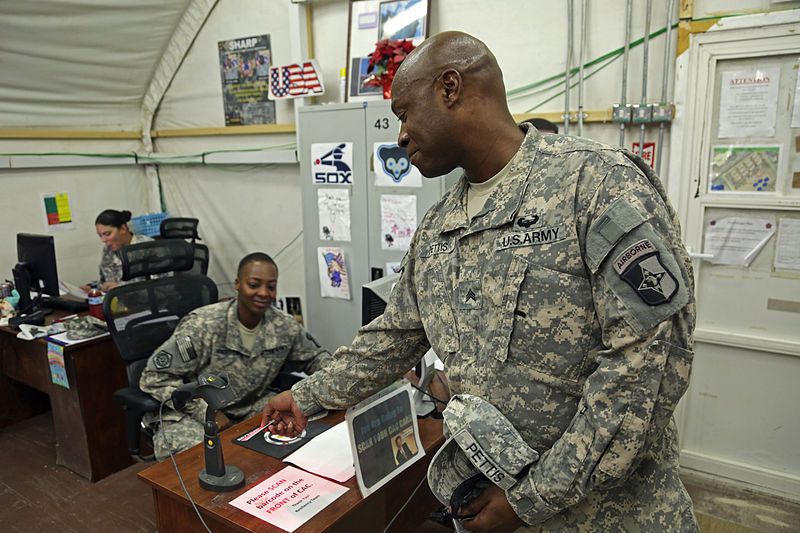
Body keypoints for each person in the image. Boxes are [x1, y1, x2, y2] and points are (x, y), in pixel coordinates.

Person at [263, 30, 697, 533]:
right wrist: (308, 395)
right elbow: (394, 335)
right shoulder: (439, 226)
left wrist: (528, 500)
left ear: (450, 87)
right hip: (494, 503)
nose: (399, 136)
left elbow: (646, 371)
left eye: (404, 112)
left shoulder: (596, 185)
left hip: (608, 517)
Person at [140, 252, 331, 460]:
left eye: (271, 286)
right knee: (201, 459)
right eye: (254, 284)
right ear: (238, 284)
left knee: (309, 421)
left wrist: (340, 381)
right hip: (191, 412)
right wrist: (204, 410)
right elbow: (153, 378)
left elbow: (316, 358)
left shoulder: (284, 326)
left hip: (248, 405)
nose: (263, 293)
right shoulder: (203, 326)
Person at [83, 209, 151, 292]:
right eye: (100, 235)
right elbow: (107, 283)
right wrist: (94, 287)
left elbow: (160, 286)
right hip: (115, 301)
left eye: (107, 234)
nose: (103, 240)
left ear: (123, 228)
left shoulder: (148, 247)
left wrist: (121, 287)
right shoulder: (108, 249)